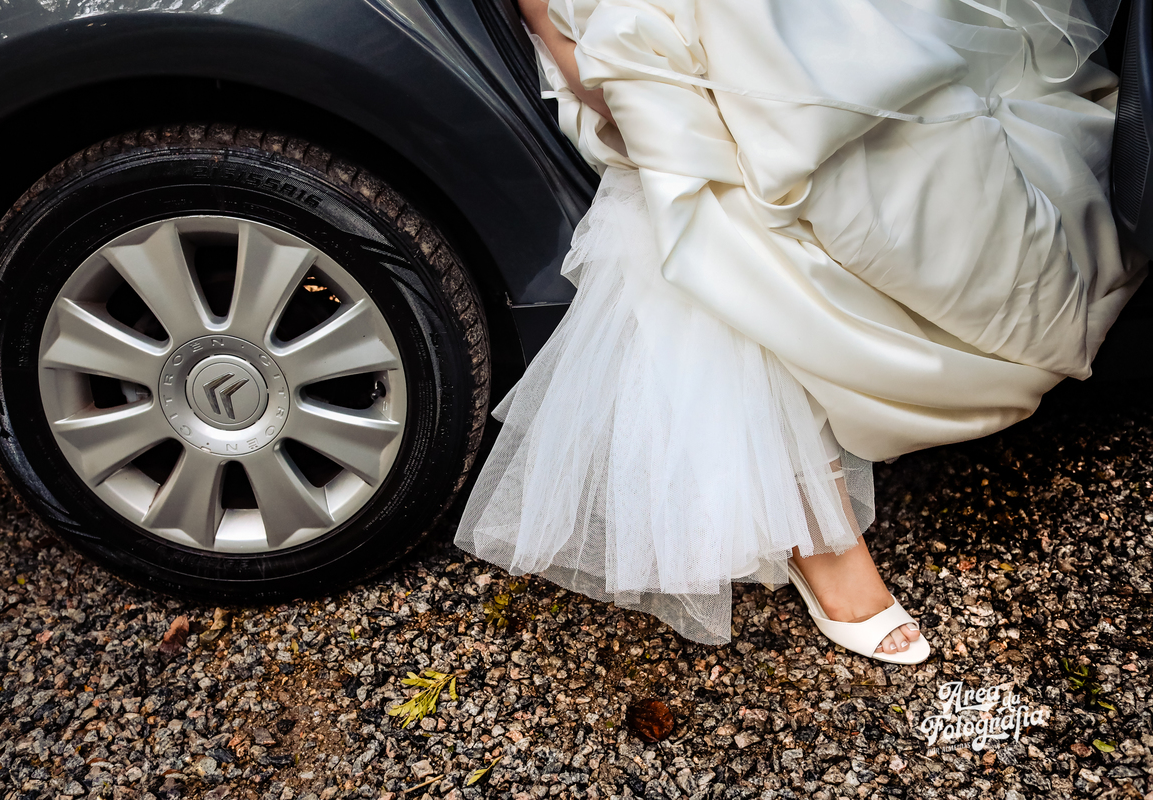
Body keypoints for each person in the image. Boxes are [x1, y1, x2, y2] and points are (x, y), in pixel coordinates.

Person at [454, 0, 1145, 663]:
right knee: (705, 217)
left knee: (898, 162)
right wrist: (659, 89)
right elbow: (559, 31)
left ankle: (960, 298)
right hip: (658, 63)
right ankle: (822, 534)